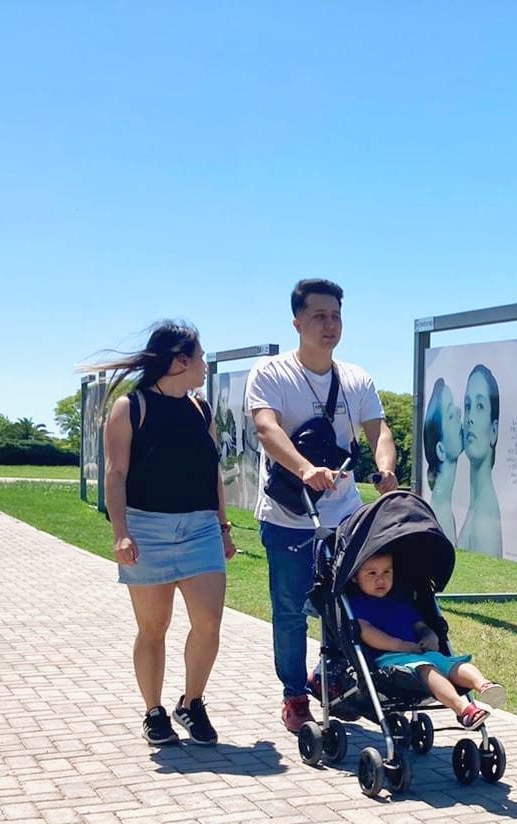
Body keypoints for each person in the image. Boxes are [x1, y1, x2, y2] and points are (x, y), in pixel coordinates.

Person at [248, 278, 399, 733]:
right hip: (288, 514)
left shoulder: (356, 379)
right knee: (291, 608)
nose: (329, 324)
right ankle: (294, 695)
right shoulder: (271, 373)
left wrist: (386, 469)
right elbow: (267, 428)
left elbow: (379, 431)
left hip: (344, 514)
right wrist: (304, 469)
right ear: (297, 323)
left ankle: (330, 677)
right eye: (319, 316)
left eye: (335, 315)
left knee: (346, 601)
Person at [100, 321, 235, 746]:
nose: (204, 365)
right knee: (154, 627)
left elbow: (212, 473)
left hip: (200, 528)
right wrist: (120, 532)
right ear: (179, 361)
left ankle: (191, 703)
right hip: (147, 529)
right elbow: (115, 474)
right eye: (200, 358)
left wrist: (223, 527)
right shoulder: (130, 407)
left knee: (208, 623)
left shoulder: (201, 410)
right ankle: (153, 711)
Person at [348, 551, 504, 729]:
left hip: (420, 651)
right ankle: (463, 709)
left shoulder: (400, 600)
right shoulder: (356, 604)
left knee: (452, 664)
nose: (381, 579)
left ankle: (485, 685)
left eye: (387, 572)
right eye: (372, 573)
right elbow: (367, 632)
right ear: (355, 577)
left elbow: (419, 625)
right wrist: (401, 646)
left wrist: (429, 636)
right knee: (427, 669)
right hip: (391, 659)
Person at [458, 363, 502, 557]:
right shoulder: (477, 505)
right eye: (468, 406)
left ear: (494, 431)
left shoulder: (486, 517)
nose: (470, 418)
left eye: (480, 406)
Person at [421, 377, 462, 541]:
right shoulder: (441, 515)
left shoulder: (443, 506)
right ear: (441, 450)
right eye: (451, 415)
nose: (459, 412)